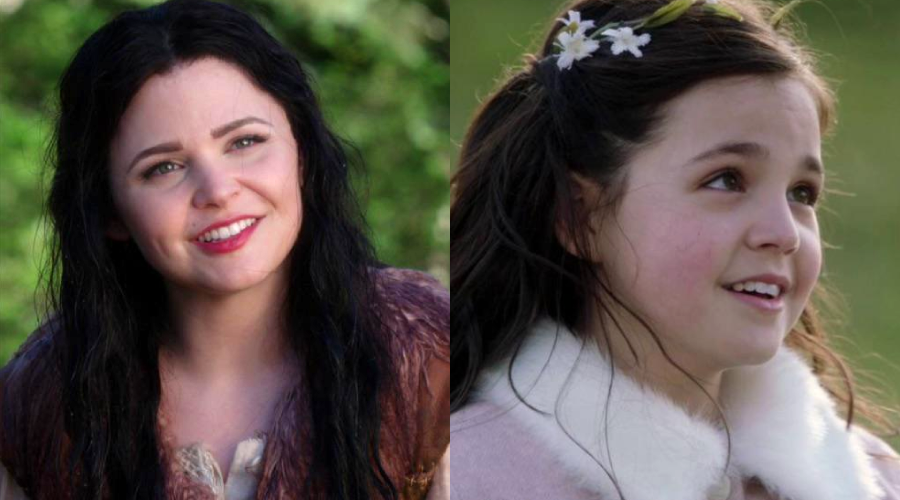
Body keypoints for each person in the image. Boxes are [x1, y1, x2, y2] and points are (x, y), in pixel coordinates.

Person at [449, 0, 900, 499]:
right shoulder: (476, 476)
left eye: (801, 193)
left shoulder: (873, 478)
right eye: (727, 179)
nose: (786, 233)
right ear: (579, 217)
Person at [0, 0, 449, 498]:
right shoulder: (40, 401)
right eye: (163, 167)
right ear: (110, 212)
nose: (217, 190)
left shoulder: (429, 354)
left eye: (245, 142)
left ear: (301, 151)